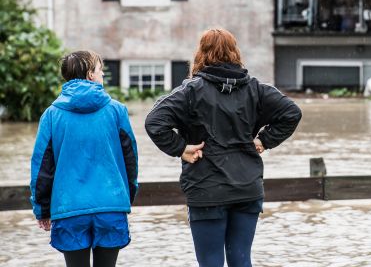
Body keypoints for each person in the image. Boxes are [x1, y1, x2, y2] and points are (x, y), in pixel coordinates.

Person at [145, 28, 302, 267]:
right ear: (235, 52)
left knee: (210, 262)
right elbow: (291, 113)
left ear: (201, 53)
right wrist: (263, 141)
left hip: (206, 188)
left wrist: (181, 148)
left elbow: (154, 122)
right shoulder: (256, 89)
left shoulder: (190, 92)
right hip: (247, 186)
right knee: (241, 261)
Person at [30, 50, 139, 267]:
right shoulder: (117, 111)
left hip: (69, 210)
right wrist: (127, 196)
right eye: (100, 70)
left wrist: (42, 208)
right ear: (90, 74)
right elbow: (131, 161)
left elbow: (42, 167)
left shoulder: (51, 115)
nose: (102, 75)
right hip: (110, 206)